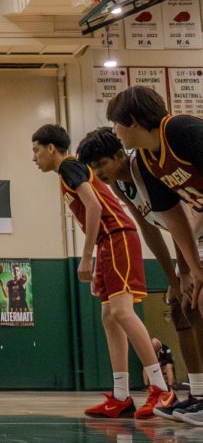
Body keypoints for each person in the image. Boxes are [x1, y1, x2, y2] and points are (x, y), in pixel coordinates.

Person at [32, 123, 169, 419]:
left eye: (36, 150)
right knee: (109, 317)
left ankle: (161, 388)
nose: (34, 157)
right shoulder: (66, 173)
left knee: (121, 312)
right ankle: (121, 395)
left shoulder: (70, 167)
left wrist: (85, 256)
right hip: (109, 241)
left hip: (117, 235)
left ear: (51, 148)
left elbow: (93, 206)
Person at [76, 126, 203, 421]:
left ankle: (181, 392)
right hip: (184, 241)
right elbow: (150, 230)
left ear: (119, 155)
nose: (98, 172)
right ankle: (196, 394)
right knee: (180, 308)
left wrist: (187, 270)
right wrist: (173, 280)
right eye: (92, 168)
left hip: (194, 233)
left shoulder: (143, 168)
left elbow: (179, 221)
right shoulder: (120, 185)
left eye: (101, 164)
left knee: (197, 301)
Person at [106, 86, 203, 300]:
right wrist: (194, 270)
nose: (114, 131)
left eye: (116, 123)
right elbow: (173, 217)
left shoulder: (181, 130)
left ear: (132, 120)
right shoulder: (146, 160)